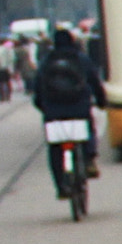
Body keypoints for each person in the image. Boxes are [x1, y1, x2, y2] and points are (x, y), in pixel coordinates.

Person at [31, 28, 103, 196]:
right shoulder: (81, 59)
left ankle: (61, 187)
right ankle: (89, 158)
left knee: (55, 148)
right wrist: (101, 101)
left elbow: (37, 87)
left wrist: (43, 107)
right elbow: (94, 82)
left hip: (53, 111)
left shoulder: (47, 61)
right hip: (79, 108)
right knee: (87, 129)